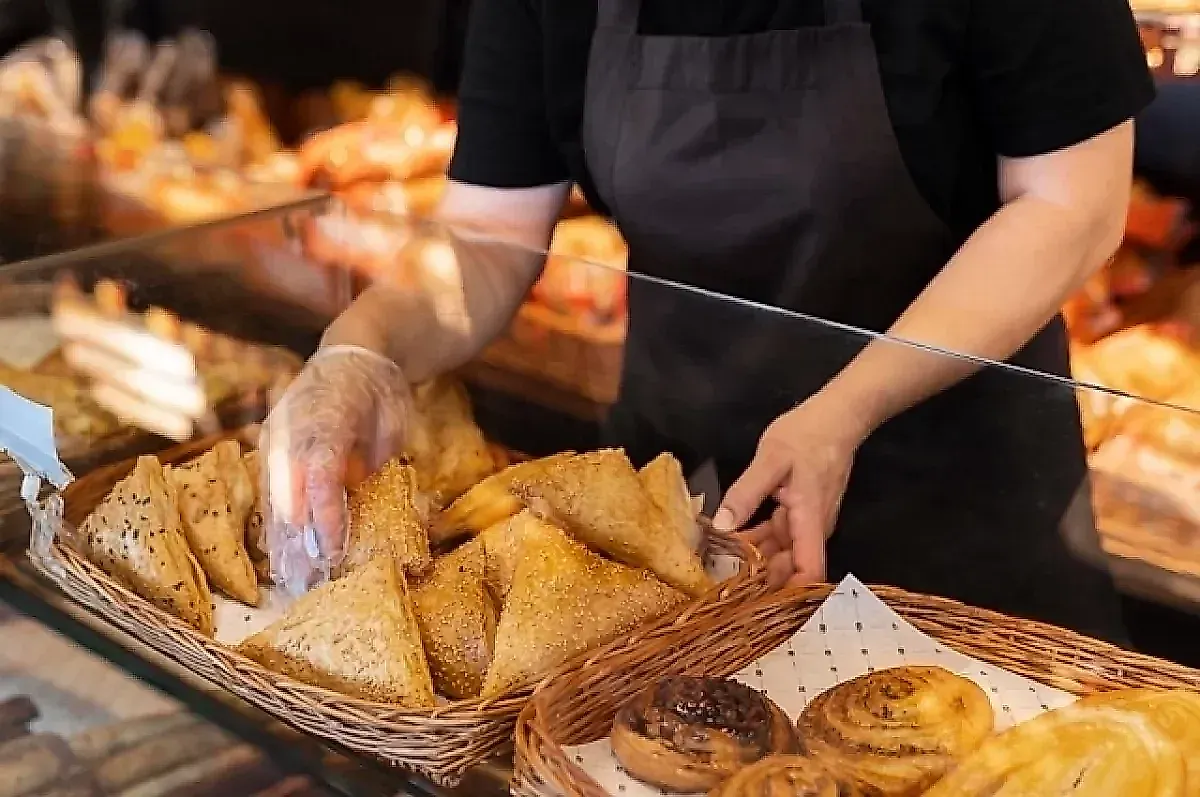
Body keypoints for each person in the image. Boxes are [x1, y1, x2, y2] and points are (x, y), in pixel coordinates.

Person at [264, 0, 1154, 642]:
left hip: (958, 520)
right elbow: (487, 235)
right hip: (674, 527)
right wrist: (361, 347)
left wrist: (845, 410)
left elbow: (1070, 204)